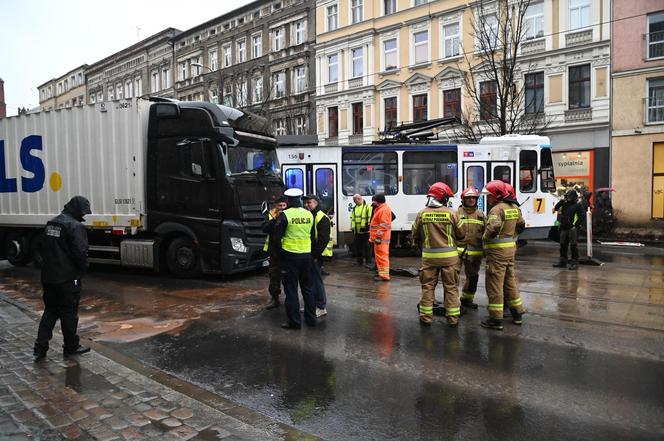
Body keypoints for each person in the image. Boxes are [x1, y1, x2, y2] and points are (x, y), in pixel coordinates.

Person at [34, 196, 92, 361]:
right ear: (76, 209)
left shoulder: (52, 223)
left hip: (49, 277)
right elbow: (80, 253)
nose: (83, 216)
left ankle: (40, 348)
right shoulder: (75, 226)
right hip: (68, 278)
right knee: (69, 313)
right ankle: (71, 348)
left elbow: (42, 248)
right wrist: (82, 270)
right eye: (83, 212)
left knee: (50, 311)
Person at [412, 183, 464, 327]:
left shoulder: (422, 213)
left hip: (429, 259)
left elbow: (414, 234)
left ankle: (425, 318)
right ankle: (453, 320)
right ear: (443, 198)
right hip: (450, 259)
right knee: (451, 288)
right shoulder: (453, 213)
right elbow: (461, 234)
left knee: (427, 287)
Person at [481, 181, 526, 331]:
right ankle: (517, 314)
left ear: (496, 195)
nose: (487, 199)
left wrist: (485, 238)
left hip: (497, 253)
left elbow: (493, 227)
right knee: (510, 282)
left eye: (489, 196)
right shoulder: (514, 208)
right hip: (510, 251)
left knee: (495, 285)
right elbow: (521, 225)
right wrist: (512, 237)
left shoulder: (496, 210)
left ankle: (495, 319)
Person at [272, 188, 317, 329]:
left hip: (290, 257)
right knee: (308, 289)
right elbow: (311, 236)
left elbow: (276, 238)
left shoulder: (285, 215)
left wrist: (280, 258)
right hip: (307, 256)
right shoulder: (309, 214)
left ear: (288, 200)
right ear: (299, 199)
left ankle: (295, 322)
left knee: (291, 290)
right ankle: (311, 319)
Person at [456, 187, 485, 310]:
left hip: (475, 253)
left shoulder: (481, 215)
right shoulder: (456, 213)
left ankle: (467, 299)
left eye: (474, 198)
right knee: (452, 276)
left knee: (473, 277)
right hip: (457, 251)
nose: (472, 200)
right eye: (469, 198)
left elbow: (486, 233)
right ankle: (453, 301)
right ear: (464, 199)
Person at [304, 194, 332, 318]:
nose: (306, 205)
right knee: (311, 281)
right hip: (311, 254)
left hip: (316, 256)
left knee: (316, 281)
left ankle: (321, 307)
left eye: (309, 202)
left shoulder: (321, 217)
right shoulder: (311, 215)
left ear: (316, 203)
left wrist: (314, 255)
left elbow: (323, 240)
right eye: (306, 203)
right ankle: (313, 305)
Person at [262, 196, 288, 309]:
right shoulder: (270, 214)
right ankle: (274, 298)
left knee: (288, 276)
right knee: (274, 275)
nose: (282, 208)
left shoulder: (289, 214)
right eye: (279, 205)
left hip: (287, 250)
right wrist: (274, 219)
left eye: (284, 206)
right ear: (276, 206)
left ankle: (290, 299)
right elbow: (264, 228)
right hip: (274, 251)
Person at [553, 189, 585, 270]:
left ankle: (574, 263)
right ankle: (563, 262)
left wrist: (575, 225)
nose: (567, 198)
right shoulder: (564, 204)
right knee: (563, 245)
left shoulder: (578, 205)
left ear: (573, 197)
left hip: (572, 228)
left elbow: (582, 216)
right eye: (566, 197)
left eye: (569, 197)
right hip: (564, 227)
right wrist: (560, 202)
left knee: (573, 246)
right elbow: (556, 209)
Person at [369, 194, 392, 281]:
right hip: (380, 239)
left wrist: (378, 236)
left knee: (382, 258)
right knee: (380, 257)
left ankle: (384, 276)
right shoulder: (381, 209)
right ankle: (382, 274)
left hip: (381, 239)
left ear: (377, 201)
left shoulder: (383, 210)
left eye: (373, 200)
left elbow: (383, 225)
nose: (372, 202)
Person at [350, 194, 372, 266]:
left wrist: (368, 226)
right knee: (358, 247)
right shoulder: (355, 208)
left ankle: (368, 262)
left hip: (366, 231)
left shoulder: (367, 207)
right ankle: (359, 262)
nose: (354, 203)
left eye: (355, 201)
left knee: (367, 247)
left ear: (358, 199)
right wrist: (353, 227)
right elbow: (353, 219)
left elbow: (370, 217)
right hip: (358, 231)